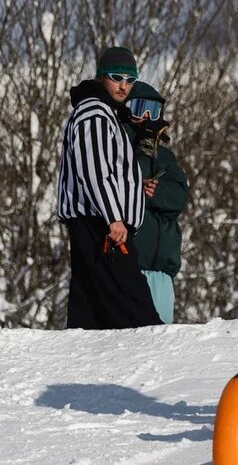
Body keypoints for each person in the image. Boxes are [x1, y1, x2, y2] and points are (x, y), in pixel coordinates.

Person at [56, 46, 163, 329]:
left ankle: (87, 359)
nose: (123, 86)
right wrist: (114, 216)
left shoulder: (106, 113)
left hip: (98, 222)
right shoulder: (94, 113)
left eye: (130, 80)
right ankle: (158, 352)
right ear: (102, 77)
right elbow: (94, 170)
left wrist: (132, 190)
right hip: (102, 226)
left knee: (90, 309)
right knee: (134, 305)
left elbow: (107, 169)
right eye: (117, 77)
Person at [123, 82, 190, 324]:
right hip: (131, 268)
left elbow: (179, 197)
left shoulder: (165, 156)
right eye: (140, 108)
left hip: (162, 272)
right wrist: (136, 189)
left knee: (160, 343)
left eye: (153, 110)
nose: (148, 117)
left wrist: (156, 192)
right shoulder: (120, 150)